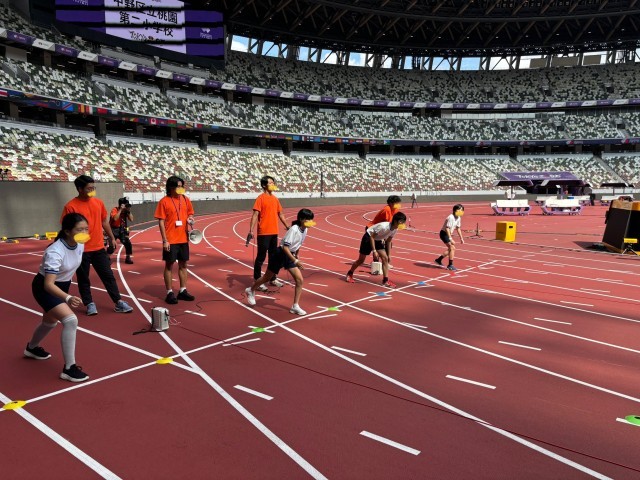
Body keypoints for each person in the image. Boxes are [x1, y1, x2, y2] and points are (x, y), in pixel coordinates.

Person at [24, 213, 90, 382]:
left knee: (49, 322)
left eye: (86, 229)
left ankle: (31, 348)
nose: (84, 233)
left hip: (61, 286)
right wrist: (67, 298)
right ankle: (69, 368)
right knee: (71, 320)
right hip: (45, 288)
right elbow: (48, 285)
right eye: (79, 229)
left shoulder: (80, 244)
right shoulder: (55, 251)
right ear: (67, 231)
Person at [61, 175, 133, 316]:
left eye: (93, 188)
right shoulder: (70, 206)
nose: (92, 190)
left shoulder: (98, 203)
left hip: (98, 247)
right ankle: (89, 303)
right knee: (83, 278)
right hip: (80, 250)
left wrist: (112, 237)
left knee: (108, 276)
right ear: (79, 189)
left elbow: (104, 222)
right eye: (89, 188)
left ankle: (118, 301)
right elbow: (66, 229)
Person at [245, 209, 315, 315]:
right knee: (267, 277)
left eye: (311, 220)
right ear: (301, 219)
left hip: (289, 255)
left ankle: (295, 306)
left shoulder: (305, 230)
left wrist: (297, 254)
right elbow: (285, 247)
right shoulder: (294, 229)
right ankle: (251, 290)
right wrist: (295, 260)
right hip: (280, 254)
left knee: (299, 280)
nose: (310, 222)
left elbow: (299, 243)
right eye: (308, 219)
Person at [155, 175, 196, 305]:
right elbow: (161, 222)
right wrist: (165, 240)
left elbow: (190, 213)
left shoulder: (185, 199)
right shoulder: (164, 201)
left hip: (183, 238)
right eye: (178, 186)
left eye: (182, 186)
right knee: (169, 266)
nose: (181, 188)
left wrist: (190, 219)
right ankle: (169, 293)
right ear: (171, 187)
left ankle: (183, 290)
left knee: (183, 265)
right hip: (171, 240)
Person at [247, 175, 289, 291]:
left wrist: (287, 226)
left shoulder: (275, 199)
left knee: (273, 257)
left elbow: (281, 214)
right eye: (271, 183)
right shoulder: (260, 198)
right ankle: (257, 280)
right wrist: (251, 230)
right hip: (263, 232)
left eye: (273, 183)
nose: (273, 185)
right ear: (264, 185)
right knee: (261, 257)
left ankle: (272, 278)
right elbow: (255, 215)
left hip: (274, 232)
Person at [346, 211, 407, 288]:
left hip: (378, 239)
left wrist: (389, 255)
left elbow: (388, 241)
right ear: (395, 221)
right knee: (361, 260)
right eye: (401, 222)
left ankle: (385, 280)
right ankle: (350, 273)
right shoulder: (383, 227)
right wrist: (374, 251)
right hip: (368, 238)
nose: (402, 224)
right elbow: (372, 237)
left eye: (403, 222)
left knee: (385, 258)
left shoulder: (395, 229)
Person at [366, 195, 402, 269]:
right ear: (391, 203)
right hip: (374, 229)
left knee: (387, 243)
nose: (398, 205)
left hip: (383, 229)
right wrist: (383, 237)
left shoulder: (395, 210)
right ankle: (377, 263)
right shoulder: (387, 210)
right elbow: (385, 223)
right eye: (397, 203)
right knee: (379, 245)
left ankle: (384, 262)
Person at [435, 204, 465, 271]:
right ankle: (450, 265)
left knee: (450, 249)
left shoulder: (458, 218)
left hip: (448, 234)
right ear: (455, 210)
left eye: (462, 210)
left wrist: (461, 238)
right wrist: (450, 239)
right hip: (444, 233)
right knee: (452, 248)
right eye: (460, 210)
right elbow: (447, 228)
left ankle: (438, 260)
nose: (461, 212)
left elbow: (458, 228)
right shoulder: (451, 217)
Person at [110, 197, 134, 264]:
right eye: (125, 205)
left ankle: (128, 257)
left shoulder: (126, 211)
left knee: (128, 243)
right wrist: (120, 210)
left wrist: (128, 211)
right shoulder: (115, 210)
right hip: (114, 229)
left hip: (123, 229)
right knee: (112, 246)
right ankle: (107, 257)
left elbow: (132, 219)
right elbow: (115, 219)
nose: (126, 207)